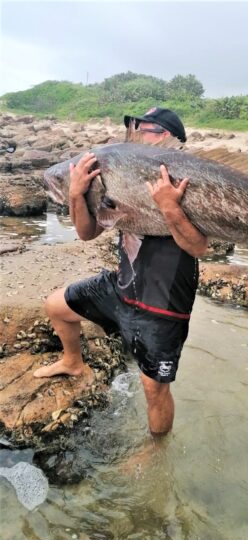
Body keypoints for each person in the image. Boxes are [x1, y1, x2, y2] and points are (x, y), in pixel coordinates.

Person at [34, 107, 208, 436]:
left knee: (154, 388)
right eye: (135, 127)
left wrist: (170, 206)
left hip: (163, 305)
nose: (137, 133)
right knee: (56, 306)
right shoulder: (124, 177)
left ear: (171, 139)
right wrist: (75, 194)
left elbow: (198, 248)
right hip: (121, 288)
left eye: (148, 129)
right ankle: (73, 362)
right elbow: (87, 233)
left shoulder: (188, 182)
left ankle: (158, 449)